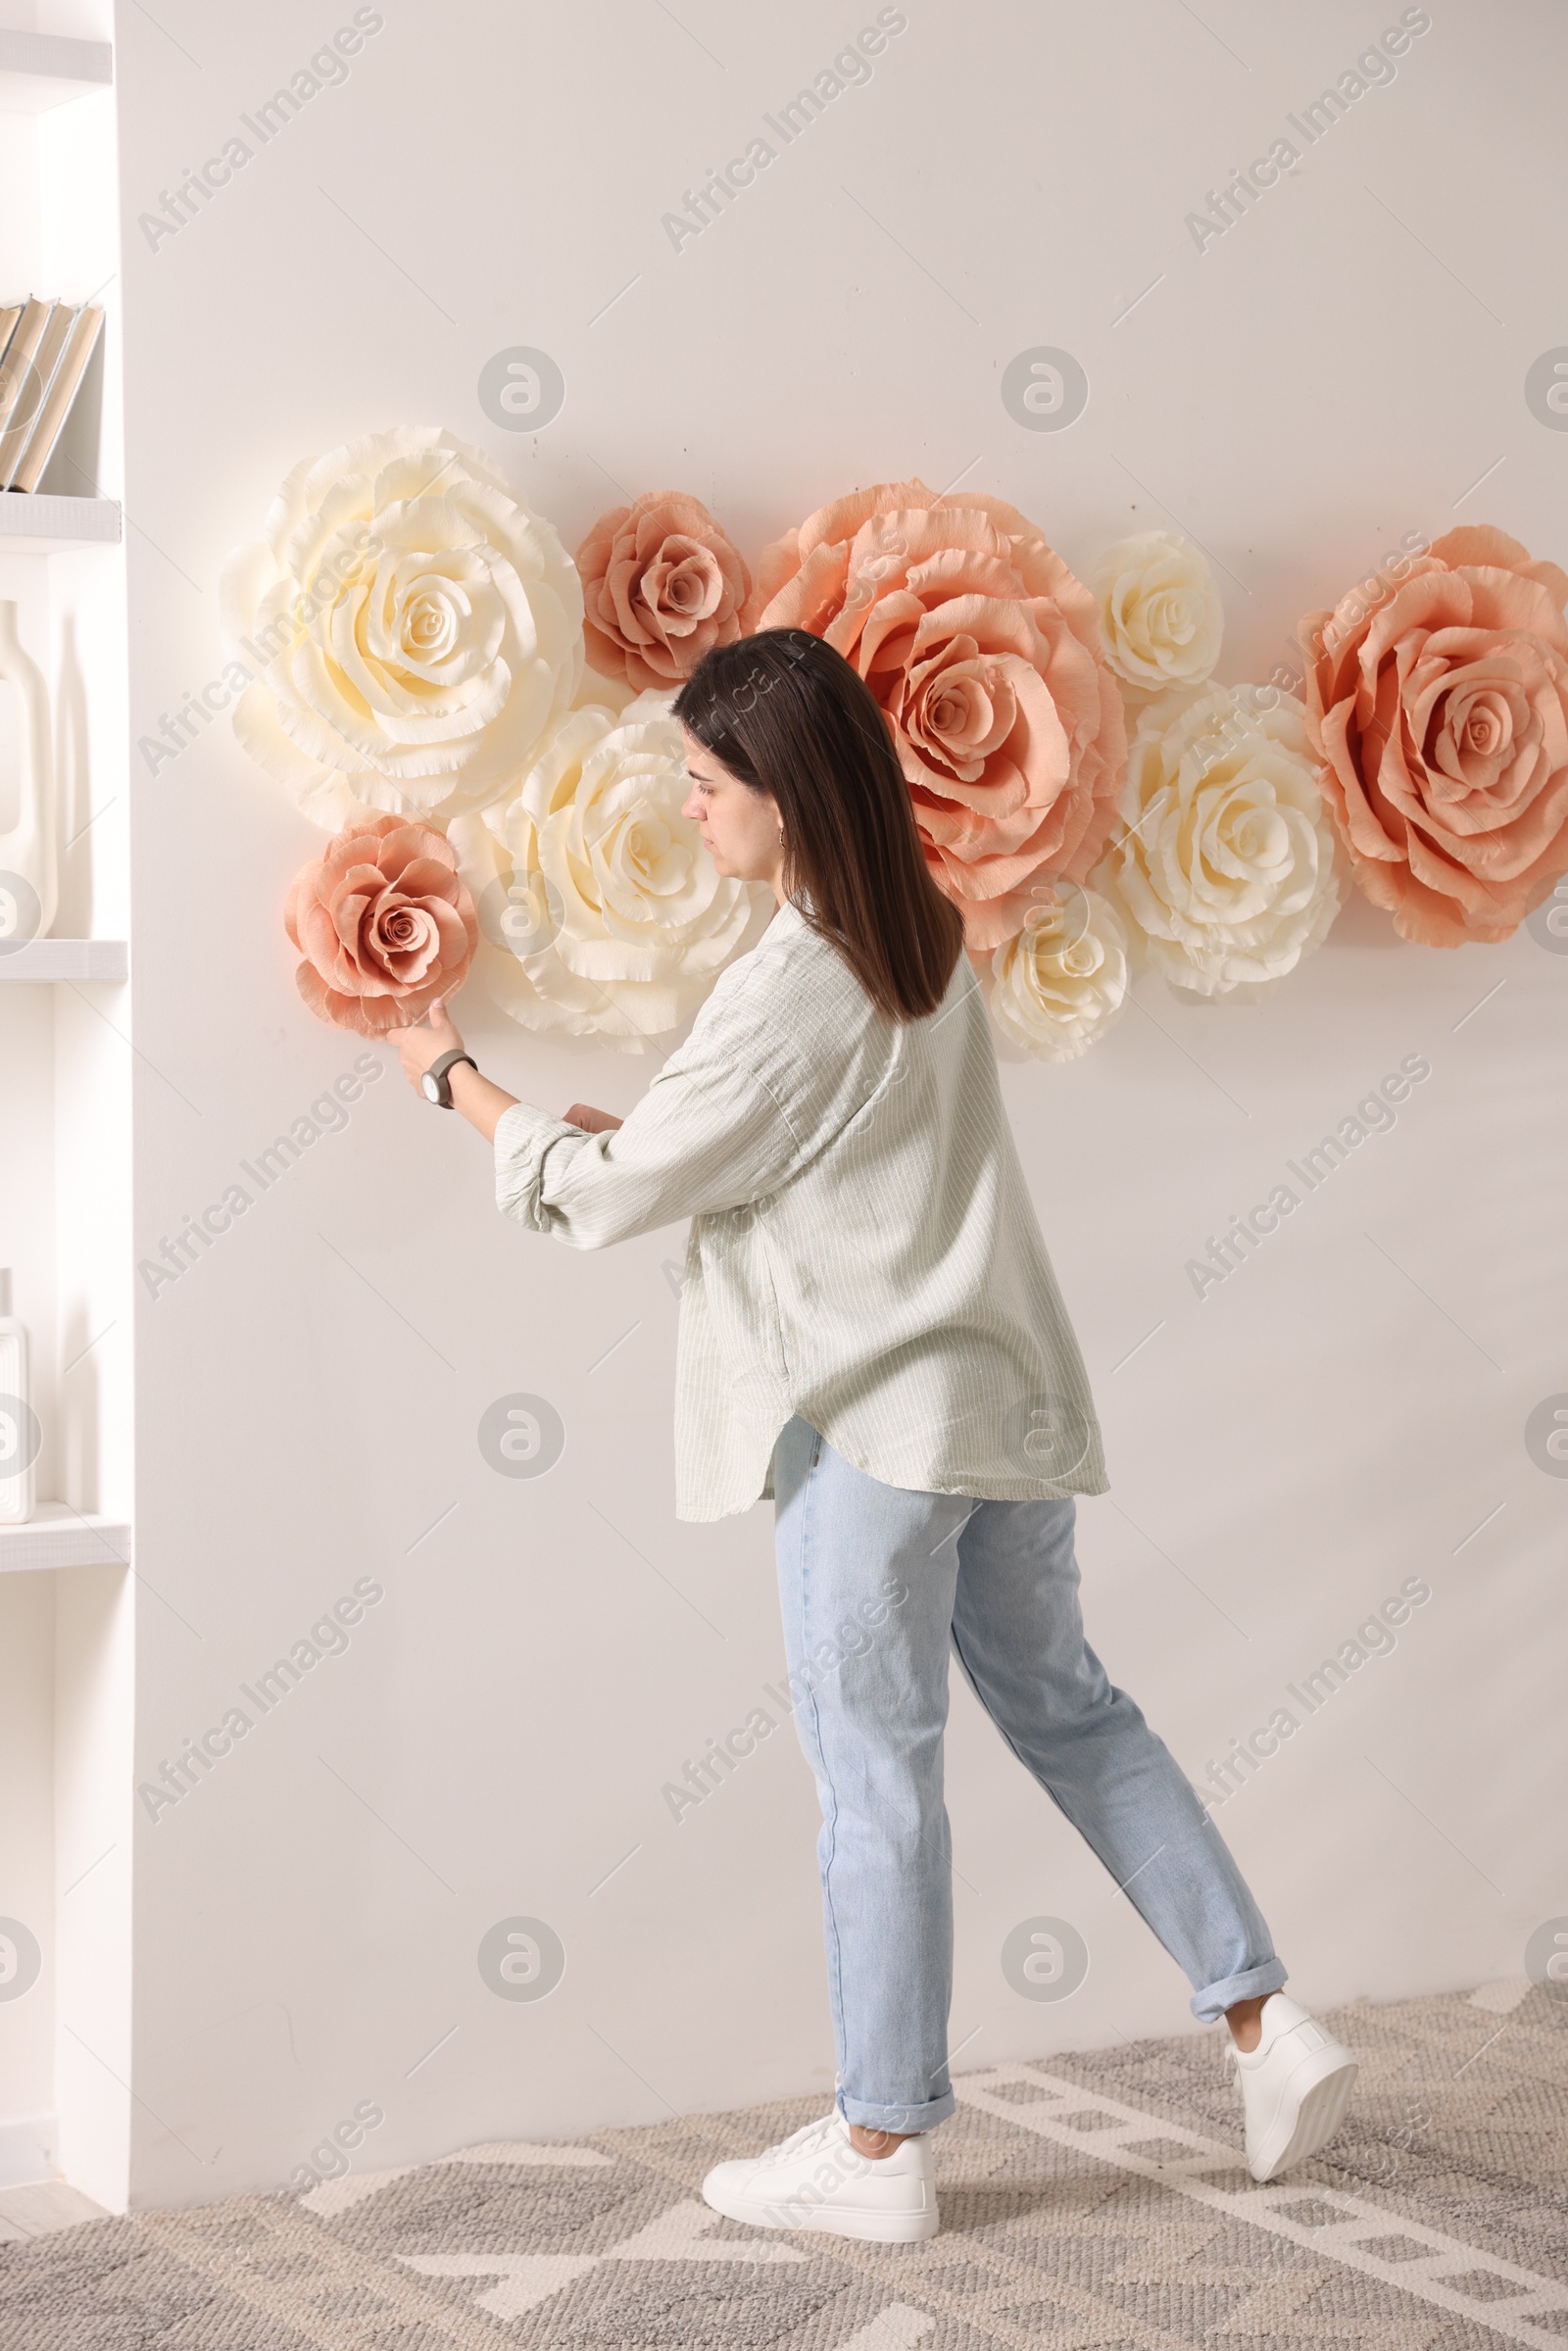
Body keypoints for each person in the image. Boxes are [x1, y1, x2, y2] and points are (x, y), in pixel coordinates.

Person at [388, 627, 1357, 2247]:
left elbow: (613, 1197)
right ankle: (1267, 2023)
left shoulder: (789, 981)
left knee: (874, 1779)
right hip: (994, 1404)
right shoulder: (915, 934)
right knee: (1076, 1714)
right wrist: (664, 1137)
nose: (691, 806)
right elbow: (810, 1150)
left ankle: (881, 2144)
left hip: (875, 1438)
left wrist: (453, 1081)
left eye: (708, 784)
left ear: (783, 789)